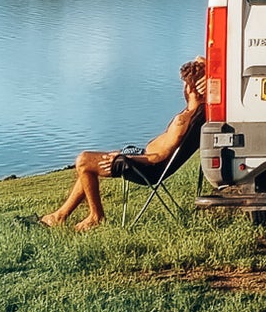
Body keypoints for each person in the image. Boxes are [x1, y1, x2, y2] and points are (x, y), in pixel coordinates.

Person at [41, 57, 206, 230]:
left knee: (83, 160)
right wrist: (208, 72)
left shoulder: (182, 121)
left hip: (147, 167)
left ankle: (96, 216)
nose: (183, 88)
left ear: (190, 88)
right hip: (142, 157)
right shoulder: (195, 112)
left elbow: (159, 157)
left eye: (185, 84)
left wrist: (125, 157)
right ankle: (59, 216)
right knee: (89, 164)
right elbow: (199, 58)